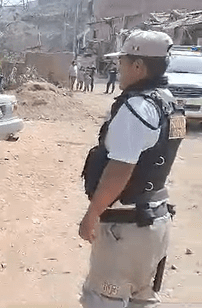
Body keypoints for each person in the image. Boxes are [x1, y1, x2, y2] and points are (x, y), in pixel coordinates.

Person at [79, 30, 185, 307]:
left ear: (137, 66)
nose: (119, 69)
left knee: (104, 299)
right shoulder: (170, 103)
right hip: (155, 224)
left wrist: (92, 214)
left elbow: (120, 171)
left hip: (126, 230)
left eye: (122, 63)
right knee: (141, 299)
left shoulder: (136, 107)